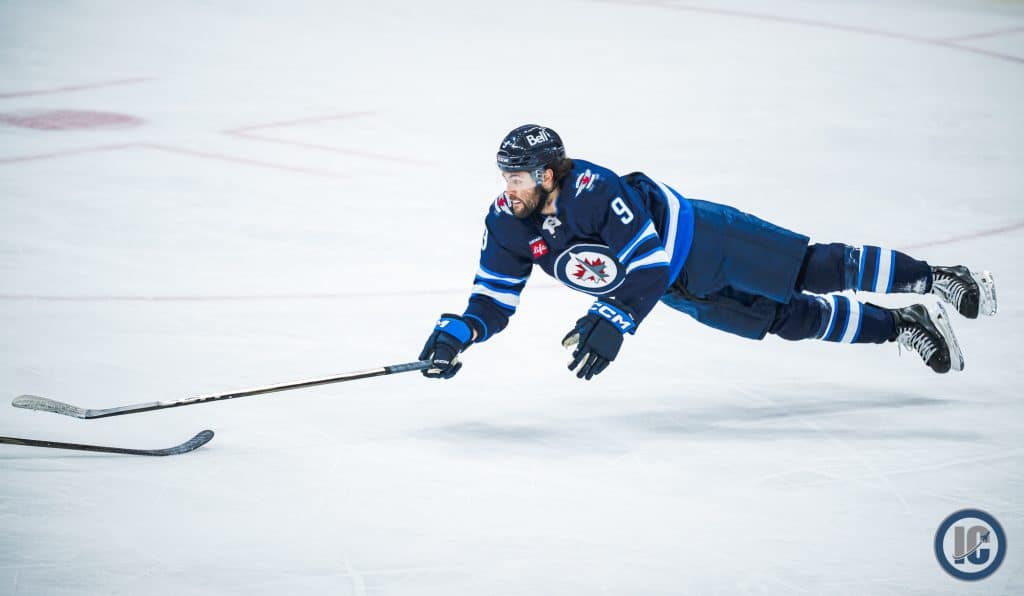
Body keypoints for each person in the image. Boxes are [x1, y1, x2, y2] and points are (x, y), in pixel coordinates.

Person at [419, 124, 997, 380]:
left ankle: (935, 278)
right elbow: (494, 298)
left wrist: (614, 317)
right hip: (671, 290)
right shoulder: (507, 223)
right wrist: (458, 333)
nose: (507, 188)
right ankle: (903, 325)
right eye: (504, 176)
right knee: (787, 320)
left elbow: (647, 260)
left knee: (815, 269)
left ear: (547, 174)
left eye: (516, 177)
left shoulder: (593, 190)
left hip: (705, 241)